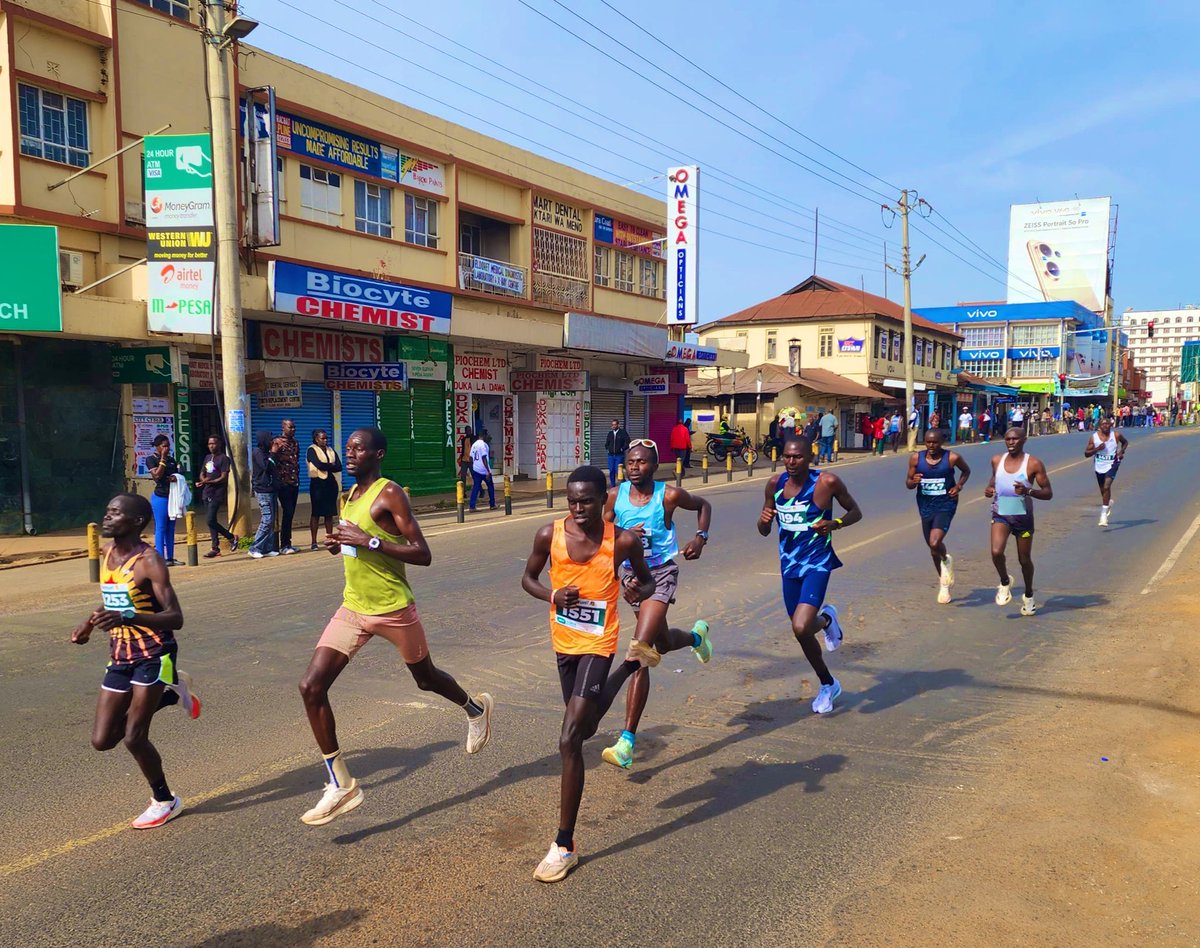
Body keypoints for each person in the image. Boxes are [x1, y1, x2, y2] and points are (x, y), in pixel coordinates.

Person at [298, 428, 493, 826]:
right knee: (311, 686)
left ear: (378, 454)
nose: (349, 454)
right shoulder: (347, 495)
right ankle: (341, 784)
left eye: (358, 449)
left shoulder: (390, 494)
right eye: (347, 448)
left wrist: (368, 542)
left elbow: (423, 553)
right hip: (353, 607)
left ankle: (475, 709)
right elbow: (354, 538)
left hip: (393, 609)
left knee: (426, 679)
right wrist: (341, 543)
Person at [521, 465, 654, 883]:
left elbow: (648, 584)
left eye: (587, 501)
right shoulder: (549, 534)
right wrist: (553, 595)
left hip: (598, 644)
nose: (579, 509)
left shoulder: (623, 541)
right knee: (589, 724)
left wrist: (636, 590)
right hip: (565, 645)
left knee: (569, 740)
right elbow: (527, 579)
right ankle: (633, 664)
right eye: (572, 500)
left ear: (603, 500)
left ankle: (564, 844)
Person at [70, 493, 200, 829]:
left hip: (155, 653)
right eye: (107, 511)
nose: (107, 518)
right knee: (103, 740)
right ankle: (171, 695)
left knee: (133, 737)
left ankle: (165, 800)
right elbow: (112, 599)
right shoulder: (107, 552)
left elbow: (175, 618)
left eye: (115, 513)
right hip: (120, 654)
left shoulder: (150, 562)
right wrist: (89, 623)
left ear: (137, 522)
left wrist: (127, 618)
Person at [600, 440, 713, 771]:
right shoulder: (614, 495)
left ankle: (626, 742)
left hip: (661, 573)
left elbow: (704, 505)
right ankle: (697, 638)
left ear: (655, 466)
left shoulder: (669, 496)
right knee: (661, 642)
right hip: (632, 576)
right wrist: (620, 533)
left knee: (641, 649)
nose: (635, 467)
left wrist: (700, 538)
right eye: (630, 462)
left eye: (642, 462)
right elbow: (600, 530)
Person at [757, 436, 862, 715]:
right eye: (787, 457)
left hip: (817, 562)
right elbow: (764, 529)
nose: (791, 462)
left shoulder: (827, 483)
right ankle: (828, 682)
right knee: (801, 632)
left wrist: (834, 523)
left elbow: (855, 512)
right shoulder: (774, 484)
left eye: (797, 457)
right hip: (789, 566)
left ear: (809, 457)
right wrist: (763, 521)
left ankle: (825, 619)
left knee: (802, 626)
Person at [985, 428, 1053, 616]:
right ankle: (1005, 582)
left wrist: (1028, 491)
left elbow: (1048, 493)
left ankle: (1029, 595)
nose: (1011, 442)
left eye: (1015, 439)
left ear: (1024, 440)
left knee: (1024, 560)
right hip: (1002, 512)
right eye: (1008, 439)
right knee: (996, 551)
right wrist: (989, 489)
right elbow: (993, 480)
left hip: (1023, 516)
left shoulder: (1033, 464)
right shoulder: (997, 460)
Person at [906, 430, 971, 604]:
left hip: (946, 505)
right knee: (932, 548)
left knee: (935, 542)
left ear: (942, 442)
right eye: (928, 442)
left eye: (935, 443)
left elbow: (966, 471)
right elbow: (908, 483)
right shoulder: (915, 459)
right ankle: (944, 582)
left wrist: (958, 486)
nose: (931, 446)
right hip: (925, 506)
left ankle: (945, 561)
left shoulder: (952, 458)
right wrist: (914, 481)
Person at [197, 435, 236, 558]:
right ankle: (215, 548)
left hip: (217, 493)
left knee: (210, 519)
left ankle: (231, 537)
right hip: (206, 492)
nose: (211, 446)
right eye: (209, 444)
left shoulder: (224, 459)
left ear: (219, 444)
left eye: (213, 443)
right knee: (211, 521)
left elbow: (223, 477)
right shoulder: (208, 457)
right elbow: (202, 473)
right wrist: (203, 480)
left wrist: (208, 482)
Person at [1084, 416, 1127, 527]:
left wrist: (1121, 452)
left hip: (1113, 464)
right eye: (1103, 424)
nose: (1105, 426)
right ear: (1099, 426)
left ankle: (1103, 516)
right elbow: (1086, 454)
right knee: (1103, 490)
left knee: (1107, 486)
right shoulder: (1094, 438)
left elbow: (1125, 442)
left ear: (1110, 425)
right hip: (1099, 465)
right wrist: (1097, 449)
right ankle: (1108, 504)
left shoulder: (1116, 435)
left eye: (1107, 424)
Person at [147, 434, 180, 566]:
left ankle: (170, 557)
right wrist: (163, 459)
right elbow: (157, 475)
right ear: (157, 447)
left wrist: (176, 477)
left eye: (168, 446)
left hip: (172, 497)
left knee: (171, 528)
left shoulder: (172, 459)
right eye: (164, 446)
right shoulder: (151, 459)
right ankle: (160, 558)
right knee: (161, 527)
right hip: (160, 497)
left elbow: (179, 473)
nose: (167, 448)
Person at [307, 429, 342, 551]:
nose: (325, 440)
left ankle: (329, 539)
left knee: (329, 513)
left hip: (331, 484)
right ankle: (314, 542)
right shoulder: (311, 450)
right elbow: (318, 464)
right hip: (317, 485)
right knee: (316, 513)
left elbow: (339, 466)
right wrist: (331, 466)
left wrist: (329, 466)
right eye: (323, 438)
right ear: (316, 439)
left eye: (326, 438)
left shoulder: (331, 450)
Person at [248, 430, 280, 559]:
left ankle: (267, 548)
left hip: (271, 489)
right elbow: (265, 466)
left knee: (271, 520)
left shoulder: (267, 453)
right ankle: (255, 547)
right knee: (267, 519)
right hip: (262, 490)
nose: (272, 441)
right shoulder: (258, 453)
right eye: (270, 439)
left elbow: (273, 467)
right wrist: (273, 453)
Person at [274, 420, 301, 555]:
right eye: (290, 427)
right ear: (283, 427)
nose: (293, 429)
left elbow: (296, 462)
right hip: (283, 483)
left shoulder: (295, 443)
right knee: (288, 511)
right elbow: (272, 460)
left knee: (290, 515)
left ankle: (287, 543)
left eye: (294, 427)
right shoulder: (277, 442)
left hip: (294, 482)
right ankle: (283, 544)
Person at [468, 430, 496, 511]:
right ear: (484, 436)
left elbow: (470, 457)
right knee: (490, 486)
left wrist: (473, 467)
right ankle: (492, 504)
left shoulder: (474, 445)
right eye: (487, 435)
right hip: (484, 470)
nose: (488, 437)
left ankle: (472, 506)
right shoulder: (483, 445)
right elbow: (484, 458)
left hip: (476, 469)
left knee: (476, 487)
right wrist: (488, 471)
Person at [605, 419, 630, 487]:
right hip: (611, 455)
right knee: (611, 471)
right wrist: (607, 448)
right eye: (612, 425)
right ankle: (613, 486)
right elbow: (607, 443)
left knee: (618, 470)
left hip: (619, 455)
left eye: (614, 425)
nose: (613, 426)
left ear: (618, 425)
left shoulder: (623, 432)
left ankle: (624, 483)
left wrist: (622, 449)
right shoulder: (610, 433)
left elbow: (628, 442)